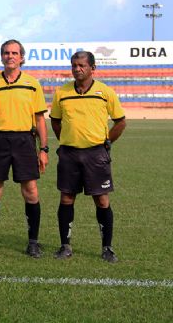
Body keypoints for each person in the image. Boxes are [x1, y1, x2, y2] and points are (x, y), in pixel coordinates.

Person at [0, 39, 49, 258]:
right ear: (1, 56)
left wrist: (43, 149)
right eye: (6, 53)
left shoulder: (33, 84)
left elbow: (40, 119)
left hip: (25, 141)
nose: (10, 56)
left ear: (22, 57)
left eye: (15, 53)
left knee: (31, 191)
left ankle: (33, 242)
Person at [50, 51, 126, 263]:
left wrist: (107, 142)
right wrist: (66, 139)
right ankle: (65, 245)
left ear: (93, 68)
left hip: (96, 154)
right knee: (66, 198)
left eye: (82, 65)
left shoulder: (105, 92)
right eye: (74, 65)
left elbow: (120, 122)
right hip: (69, 153)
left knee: (101, 200)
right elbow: (55, 121)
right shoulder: (61, 92)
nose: (77, 69)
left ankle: (107, 247)